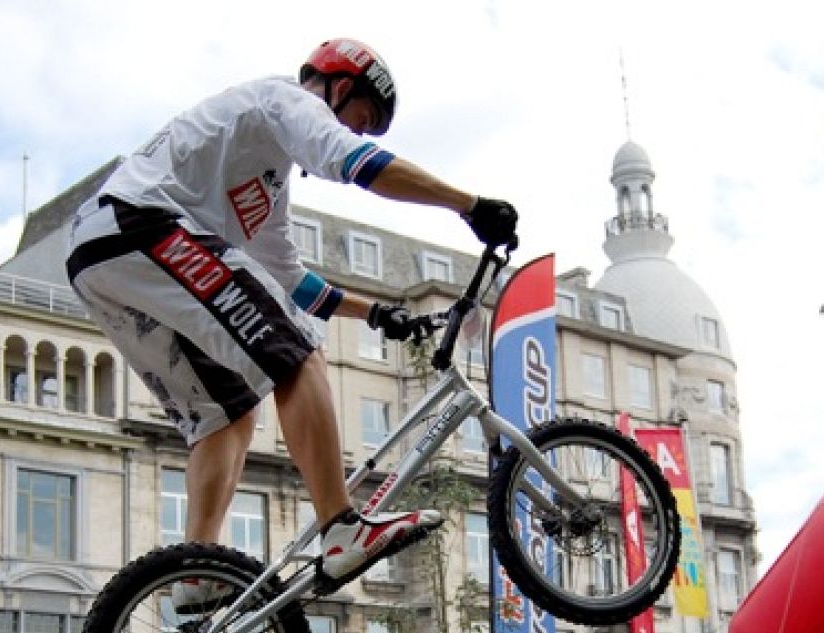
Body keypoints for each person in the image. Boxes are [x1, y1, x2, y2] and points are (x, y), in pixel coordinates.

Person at [65, 39, 517, 602]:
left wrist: (374, 312)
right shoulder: (284, 100)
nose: (359, 130)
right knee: (296, 352)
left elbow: (288, 277)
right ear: (337, 84)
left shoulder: (264, 179)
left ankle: (197, 577)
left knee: (225, 413)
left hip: (101, 259)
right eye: (361, 117)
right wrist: (468, 205)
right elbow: (360, 165)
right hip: (140, 224)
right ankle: (342, 527)